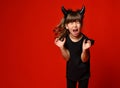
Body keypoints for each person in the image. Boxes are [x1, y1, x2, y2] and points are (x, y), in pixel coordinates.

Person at [53, 5, 94, 88]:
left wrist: (85, 50)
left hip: (84, 74)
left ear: (81, 25)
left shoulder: (85, 40)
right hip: (71, 73)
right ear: (67, 26)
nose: (75, 25)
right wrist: (62, 47)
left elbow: (84, 59)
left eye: (77, 22)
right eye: (71, 22)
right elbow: (67, 58)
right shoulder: (65, 40)